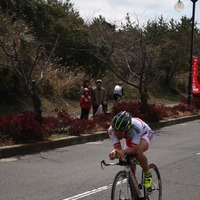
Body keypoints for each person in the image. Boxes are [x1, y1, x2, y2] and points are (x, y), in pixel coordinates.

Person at [108, 111, 153, 188]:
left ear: (127, 129)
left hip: (144, 134)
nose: (117, 135)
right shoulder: (111, 130)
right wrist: (115, 152)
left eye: (120, 133)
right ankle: (135, 192)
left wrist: (123, 152)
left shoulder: (136, 127)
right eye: (116, 132)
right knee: (130, 168)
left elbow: (134, 149)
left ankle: (147, 173)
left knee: (137, 152)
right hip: (130, 137)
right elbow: (118, 148)